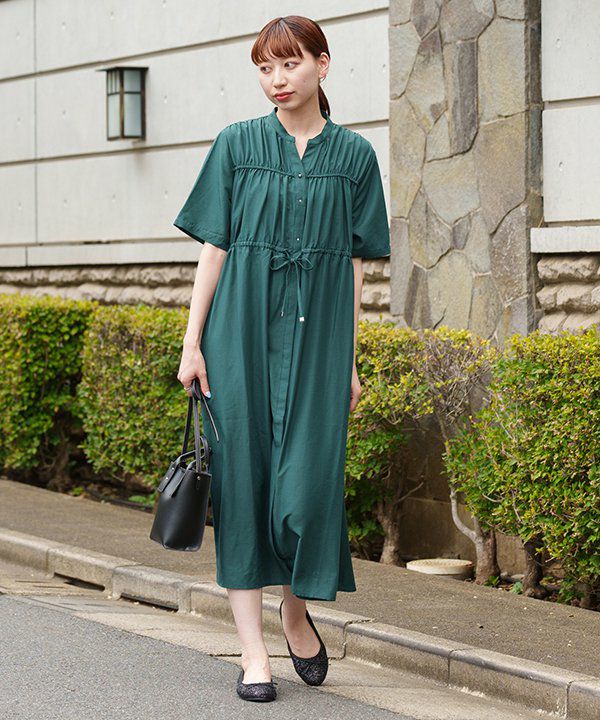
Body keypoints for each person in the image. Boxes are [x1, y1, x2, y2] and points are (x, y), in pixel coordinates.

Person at [174, 15, 390, 702]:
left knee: (307, 495)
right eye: (265, 68)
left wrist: (348, 360)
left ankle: (296, 612)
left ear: (323, 64)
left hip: (320, 344)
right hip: (237, 340)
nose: (277, 79)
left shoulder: (355, 157)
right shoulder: (236, 145)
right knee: (241, 489)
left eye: (290, 63)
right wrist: (192, 343)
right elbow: (214, 248)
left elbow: (355, 265)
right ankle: (253, 654)